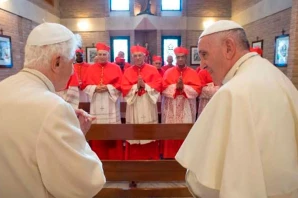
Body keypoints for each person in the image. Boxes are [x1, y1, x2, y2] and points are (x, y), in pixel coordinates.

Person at [176, 20, 298, 198]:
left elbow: (204, 184)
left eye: (204, 54)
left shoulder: (233, 93)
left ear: (228, 48)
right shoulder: (276, 76)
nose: (201, 64)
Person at [0, 23, 105, 198]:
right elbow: (86, 182)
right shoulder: (54, 108)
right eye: (72, 62)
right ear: (57, 62)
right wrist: (78, 136)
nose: (73, 70)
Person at [82, 42, 123, 160]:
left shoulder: (115, 68)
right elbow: (85, 85)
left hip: (111, 101)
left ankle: (115, 157)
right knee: (97, 128)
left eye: (104, 54)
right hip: (96, 101)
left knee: (112, 130)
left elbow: (120, 85)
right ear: (97, 55)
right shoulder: (91, 68)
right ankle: (98, 156)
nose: (102, 56)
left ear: (108, 55)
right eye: (100, 54)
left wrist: (107, 87)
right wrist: (95, 88)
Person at [121, 45, 162, 160]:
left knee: (149, 132)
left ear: (144, 56)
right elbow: (124, 87)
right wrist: (135, 87)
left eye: (140, 55)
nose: (137, 58)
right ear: (132, 57)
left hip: (147, 102)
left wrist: (145, 86)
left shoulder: (152, 69)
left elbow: (159, 85)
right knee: (134, 132)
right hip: (134, 103)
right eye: (135, 56)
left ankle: (151, 159)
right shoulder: (128, 71)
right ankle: (134, 160)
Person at [161, 46, 201, 159]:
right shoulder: (168, 72)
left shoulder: (192, 73)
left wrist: (184, 88)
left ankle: (186, 156)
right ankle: (169, 155)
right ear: (175, 58)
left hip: (186, 107)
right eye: (178, 57)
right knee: (171, 131)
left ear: (186, 58)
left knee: (185, 130)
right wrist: (175, 88)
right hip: (171, 108)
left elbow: (197, 90)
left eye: (182, 57)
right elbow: (163, 88)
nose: (180, 59)